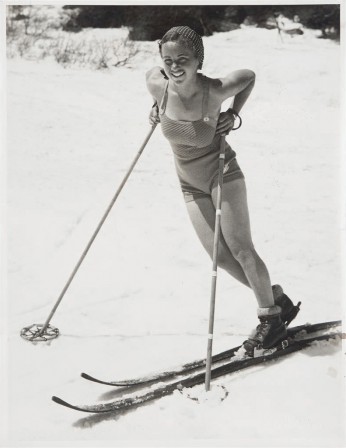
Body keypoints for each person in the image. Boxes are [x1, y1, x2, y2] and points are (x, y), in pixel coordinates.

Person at [145, 26, 300, 356]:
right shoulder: (157, 85)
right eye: (168, 59)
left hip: (222, 173)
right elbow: (153, 76)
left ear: (198, 61)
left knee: (241, 248)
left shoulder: (213, 90)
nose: (174, 67)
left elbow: (249, 76)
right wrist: (154, 108)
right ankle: (276, 299)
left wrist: (234, 114)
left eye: (183, 59)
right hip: (189, 184)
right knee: (220, 256)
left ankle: (269, 319)